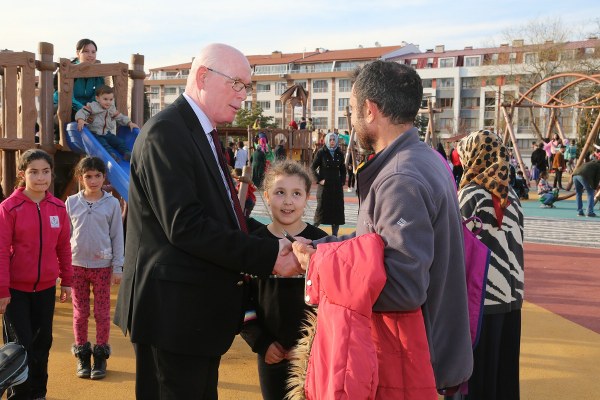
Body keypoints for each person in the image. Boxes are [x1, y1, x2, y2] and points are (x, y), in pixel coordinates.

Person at [113, 43, 301, 400]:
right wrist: (270, 256)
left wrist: (276, 242)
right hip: (173, 317)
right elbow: (186, 225)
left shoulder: (198, 133)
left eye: (246, 87)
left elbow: (224, 217)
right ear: (202, 76)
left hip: (194, 317)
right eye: (236, 84)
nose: (243, 96)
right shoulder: (167, 133)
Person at [293, 61, 472, 396]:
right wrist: (324, 248)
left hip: (415, 362)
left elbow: (403, 286)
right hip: (433, 348)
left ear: (369, 110)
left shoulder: (399, 178)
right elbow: (375, 243)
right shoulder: (425, 158)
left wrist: (319, 268)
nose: (352, 119)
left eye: (351, 110)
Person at [241, 160, 327, 400]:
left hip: (315, 353)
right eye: (280, 192)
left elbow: (332, 301)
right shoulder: (254, 245)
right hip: (271, 354)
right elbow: (241, 299)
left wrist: (317, 344)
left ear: (307, 197)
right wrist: (261, 342)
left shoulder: (322, 243)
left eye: (296, 193)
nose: (288, 201)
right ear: (267, 196)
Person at [452, 130, 524, 400]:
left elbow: (455, 246)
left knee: (476, 379)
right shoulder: (511, 195)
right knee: (503, 377)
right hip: (511, 298)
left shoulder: (471, 194)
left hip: (480, 300)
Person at [0, 149, 73, 399]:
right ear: (23, 174)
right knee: (21, 347)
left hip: (45, 289)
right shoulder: (9, 208)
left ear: (52, 174)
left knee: (43, 344)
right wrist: (2, 291)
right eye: (34, 172)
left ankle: (38, 392)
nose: (40, 177)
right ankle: (19, 394)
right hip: (15, 292)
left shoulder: (58, 207)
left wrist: (67, 281)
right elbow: (0, 251)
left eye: (45, 172)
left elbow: (63, 246)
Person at [65, 157, 124, 381]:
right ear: (81, 178)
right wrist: (63, 269)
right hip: (76, 265)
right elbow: (64, 238)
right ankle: (82, 353)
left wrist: (118, 266)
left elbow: (117, 236)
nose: (93, 180)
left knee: (101, 313)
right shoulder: (71, 202)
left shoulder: (112, 204)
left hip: (102, 266)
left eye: (97, 175)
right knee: (80, 313)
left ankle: (100, 354)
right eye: (88, 176)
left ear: (104, 177)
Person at [75, 85, 138, 161]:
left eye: (111, 99)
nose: (108, 102)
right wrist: (80, 119)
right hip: (95, 134)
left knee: (119, 142)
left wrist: (129, 123)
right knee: (104, 144)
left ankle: (127, 153)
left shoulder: (111, 109)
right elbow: (82, 112)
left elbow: (120, 117)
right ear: (97, 98)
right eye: (105, 99)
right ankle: (111, 156)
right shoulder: (92, 107)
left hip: (106, 133)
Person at [311, 132, 345, 236]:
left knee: (336, 213)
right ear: (326, 141)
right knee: (321, 211)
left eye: (334, 140)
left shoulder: (340, 153)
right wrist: (319, 180)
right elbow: (312, 168)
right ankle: (312, 233)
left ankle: (335, 236)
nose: (332, 142)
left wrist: (341, 181)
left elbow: (343, 170)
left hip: (336, 188)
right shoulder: (321, 152)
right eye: (330, 140)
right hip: (324, 188)